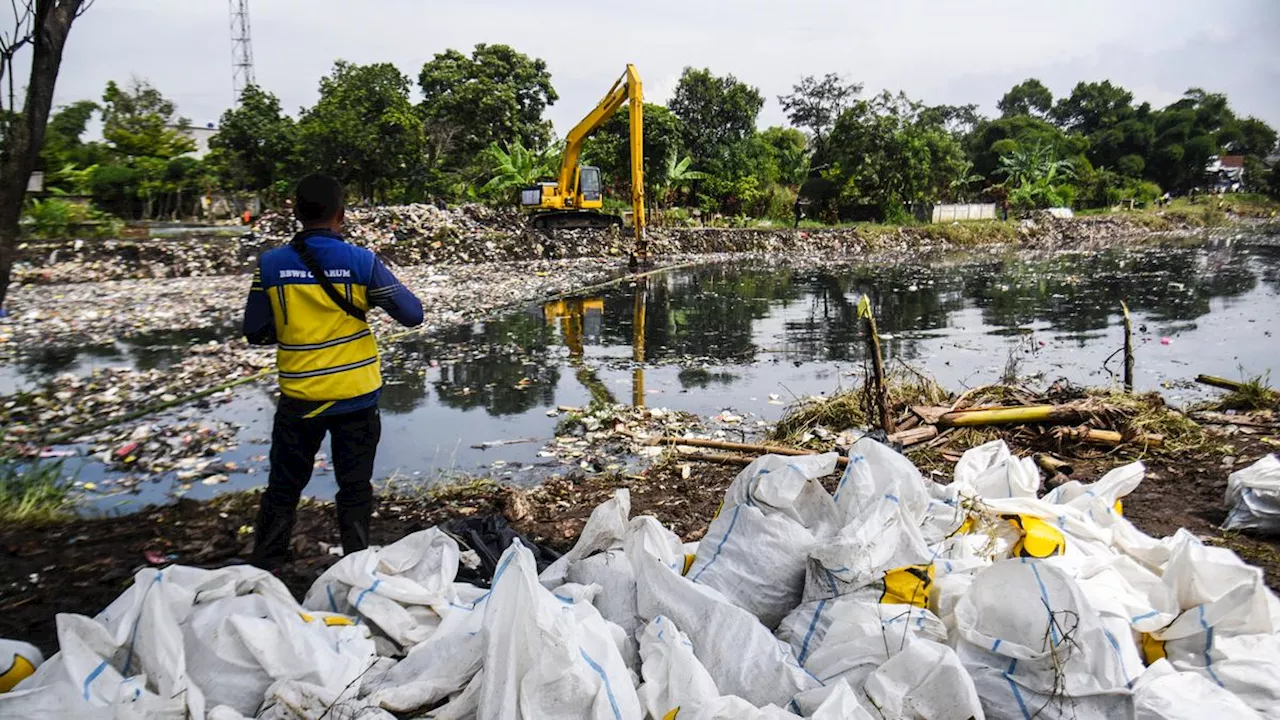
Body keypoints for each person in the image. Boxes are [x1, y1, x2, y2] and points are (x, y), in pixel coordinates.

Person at [242, 174, 424, 569]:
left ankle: (267, 565)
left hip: (299, 398)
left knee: (284, 487)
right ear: (341, 215)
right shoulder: (361, 261)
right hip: (355, 396)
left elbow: (254, 332)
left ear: (296, 213)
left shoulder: (271, 266)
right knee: (354, 486)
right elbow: (412, 314)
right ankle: (355, 566)